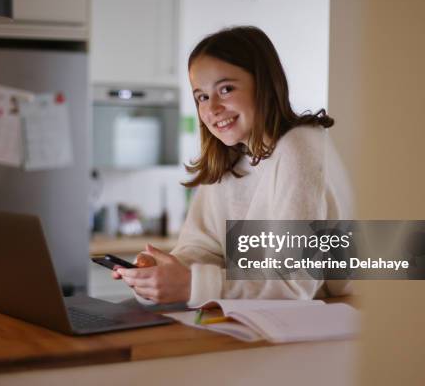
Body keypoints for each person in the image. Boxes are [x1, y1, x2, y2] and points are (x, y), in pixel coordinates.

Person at [113, 26, 353, 307]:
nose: (212, 108)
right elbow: (204, 248)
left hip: (337, 318)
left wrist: (192, 284)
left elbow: (294, 283)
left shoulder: (300, 145)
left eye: (225, 89)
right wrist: (161, 272)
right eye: (201, 96)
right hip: (263, 318)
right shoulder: (231, 157)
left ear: (263, 84)